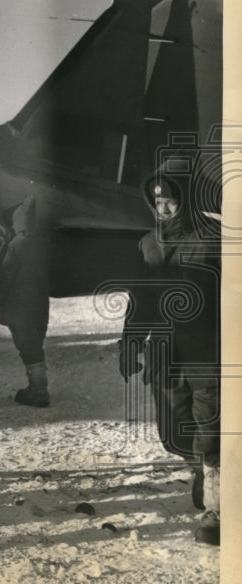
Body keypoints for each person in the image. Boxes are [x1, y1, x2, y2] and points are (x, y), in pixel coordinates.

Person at [120, 165, 220, 547]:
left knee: (210, 427)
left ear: (189, 200)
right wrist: (130, 342)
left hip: (207, 353)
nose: (163, 209)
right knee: (176, 429)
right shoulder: (149, 245)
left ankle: (216, 508)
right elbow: (140, 301)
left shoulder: (214, 240)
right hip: (166, 356)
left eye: (171, 201)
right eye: (157, 201)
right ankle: (202, 469)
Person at [0, 195, 52, 407]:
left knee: (27, 349)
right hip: (40, 308)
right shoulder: (41, 246)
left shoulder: (16, 245)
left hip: (21, 311)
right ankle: (39, 387)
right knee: (35, 347)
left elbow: (4, 277)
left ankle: (38, 391)